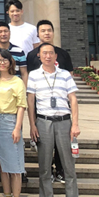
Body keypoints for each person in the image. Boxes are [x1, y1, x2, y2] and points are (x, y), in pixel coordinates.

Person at [27, 43, 83, 197]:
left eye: (51, 53)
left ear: (55, 56)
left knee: (69, 166)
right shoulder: (34, 75)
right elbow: (30, 101)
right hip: (43, 122)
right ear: (39, 55)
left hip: (64, 122)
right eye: (44, 53)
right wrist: (32, 124)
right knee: (44, 166)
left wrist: (75, 124)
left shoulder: (65, 74)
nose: (48, 56)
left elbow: (73, 99)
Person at [25, 19, 74, 184]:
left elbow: (70, 77)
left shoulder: (63, 54)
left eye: (49, 30)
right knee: (45, 142)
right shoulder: (32, 55)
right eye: (43, 31)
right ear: (37, 34)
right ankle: (48, 172)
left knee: (62, 142)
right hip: (41, 105)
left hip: (61, 106)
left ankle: (60, 170)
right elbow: (30, 78)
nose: (46, 33)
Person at [0, 49, 26, 197]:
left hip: (10, 121)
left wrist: (17, 128)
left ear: (10, 62)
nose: (1, 63)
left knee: (14, 165)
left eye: (4, 60)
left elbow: (21, 106)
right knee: (2, 165)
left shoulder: (17, 81)